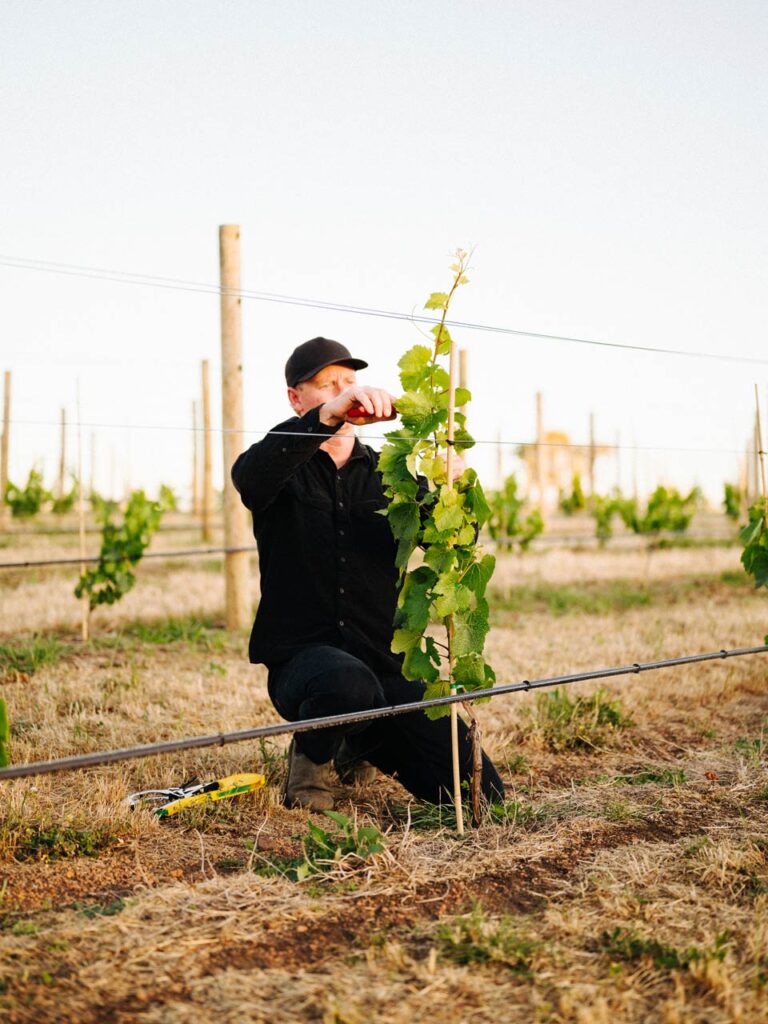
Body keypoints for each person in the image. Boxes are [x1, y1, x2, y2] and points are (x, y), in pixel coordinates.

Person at [231, 336, 505, 811]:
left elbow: (448, 541)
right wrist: (330, 414)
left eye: (349, 381)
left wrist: (452, 492)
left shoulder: (390, 475)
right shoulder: (279, 466)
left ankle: (356, 738)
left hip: (384, 666)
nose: (344, 390)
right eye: (327, 384)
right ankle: (310, 768)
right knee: (346, 685)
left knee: (482, 796)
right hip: (305, 664)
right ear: (297, 398)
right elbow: (249, 478)